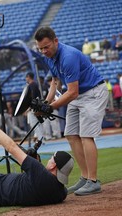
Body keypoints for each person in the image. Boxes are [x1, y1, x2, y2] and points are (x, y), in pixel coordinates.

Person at [34, 26, 108, 196]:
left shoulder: (68, 56)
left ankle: (93, 181)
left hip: (92, 92)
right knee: (71, 134)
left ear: (55, 41)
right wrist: (46, 102)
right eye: (41, 48)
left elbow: (72, 91)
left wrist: (51, 107)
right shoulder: (49, 57)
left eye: (47, 47)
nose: (44, 51)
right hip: (77, 94)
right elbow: (55, 82)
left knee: (86, 135)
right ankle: (84, 177)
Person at [25, 72, 44, 143]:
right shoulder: (35, 84)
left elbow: (32, 97)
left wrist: (29, 108)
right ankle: (41, 138)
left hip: (34, 107)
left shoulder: (32, 85)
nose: (26, 79)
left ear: (28, 77)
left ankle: (40, 139)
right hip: (37, 106)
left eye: (26, 77)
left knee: (34, 124)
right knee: (38, 123)